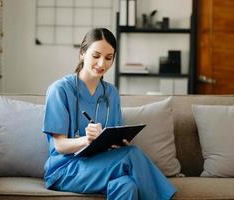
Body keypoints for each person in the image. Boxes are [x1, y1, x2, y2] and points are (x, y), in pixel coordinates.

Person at [43, 28, 177, 200]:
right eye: (96, 56)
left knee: (126, 186)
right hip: (65, 170)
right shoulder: (60, 90)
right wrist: (88, 140)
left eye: (108, 58)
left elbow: (111, 138)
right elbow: (60, 146)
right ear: (82, 54)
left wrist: (117, 143)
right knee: (132, 153)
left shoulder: (111, 93)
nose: (102, 64)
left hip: (101, 164)